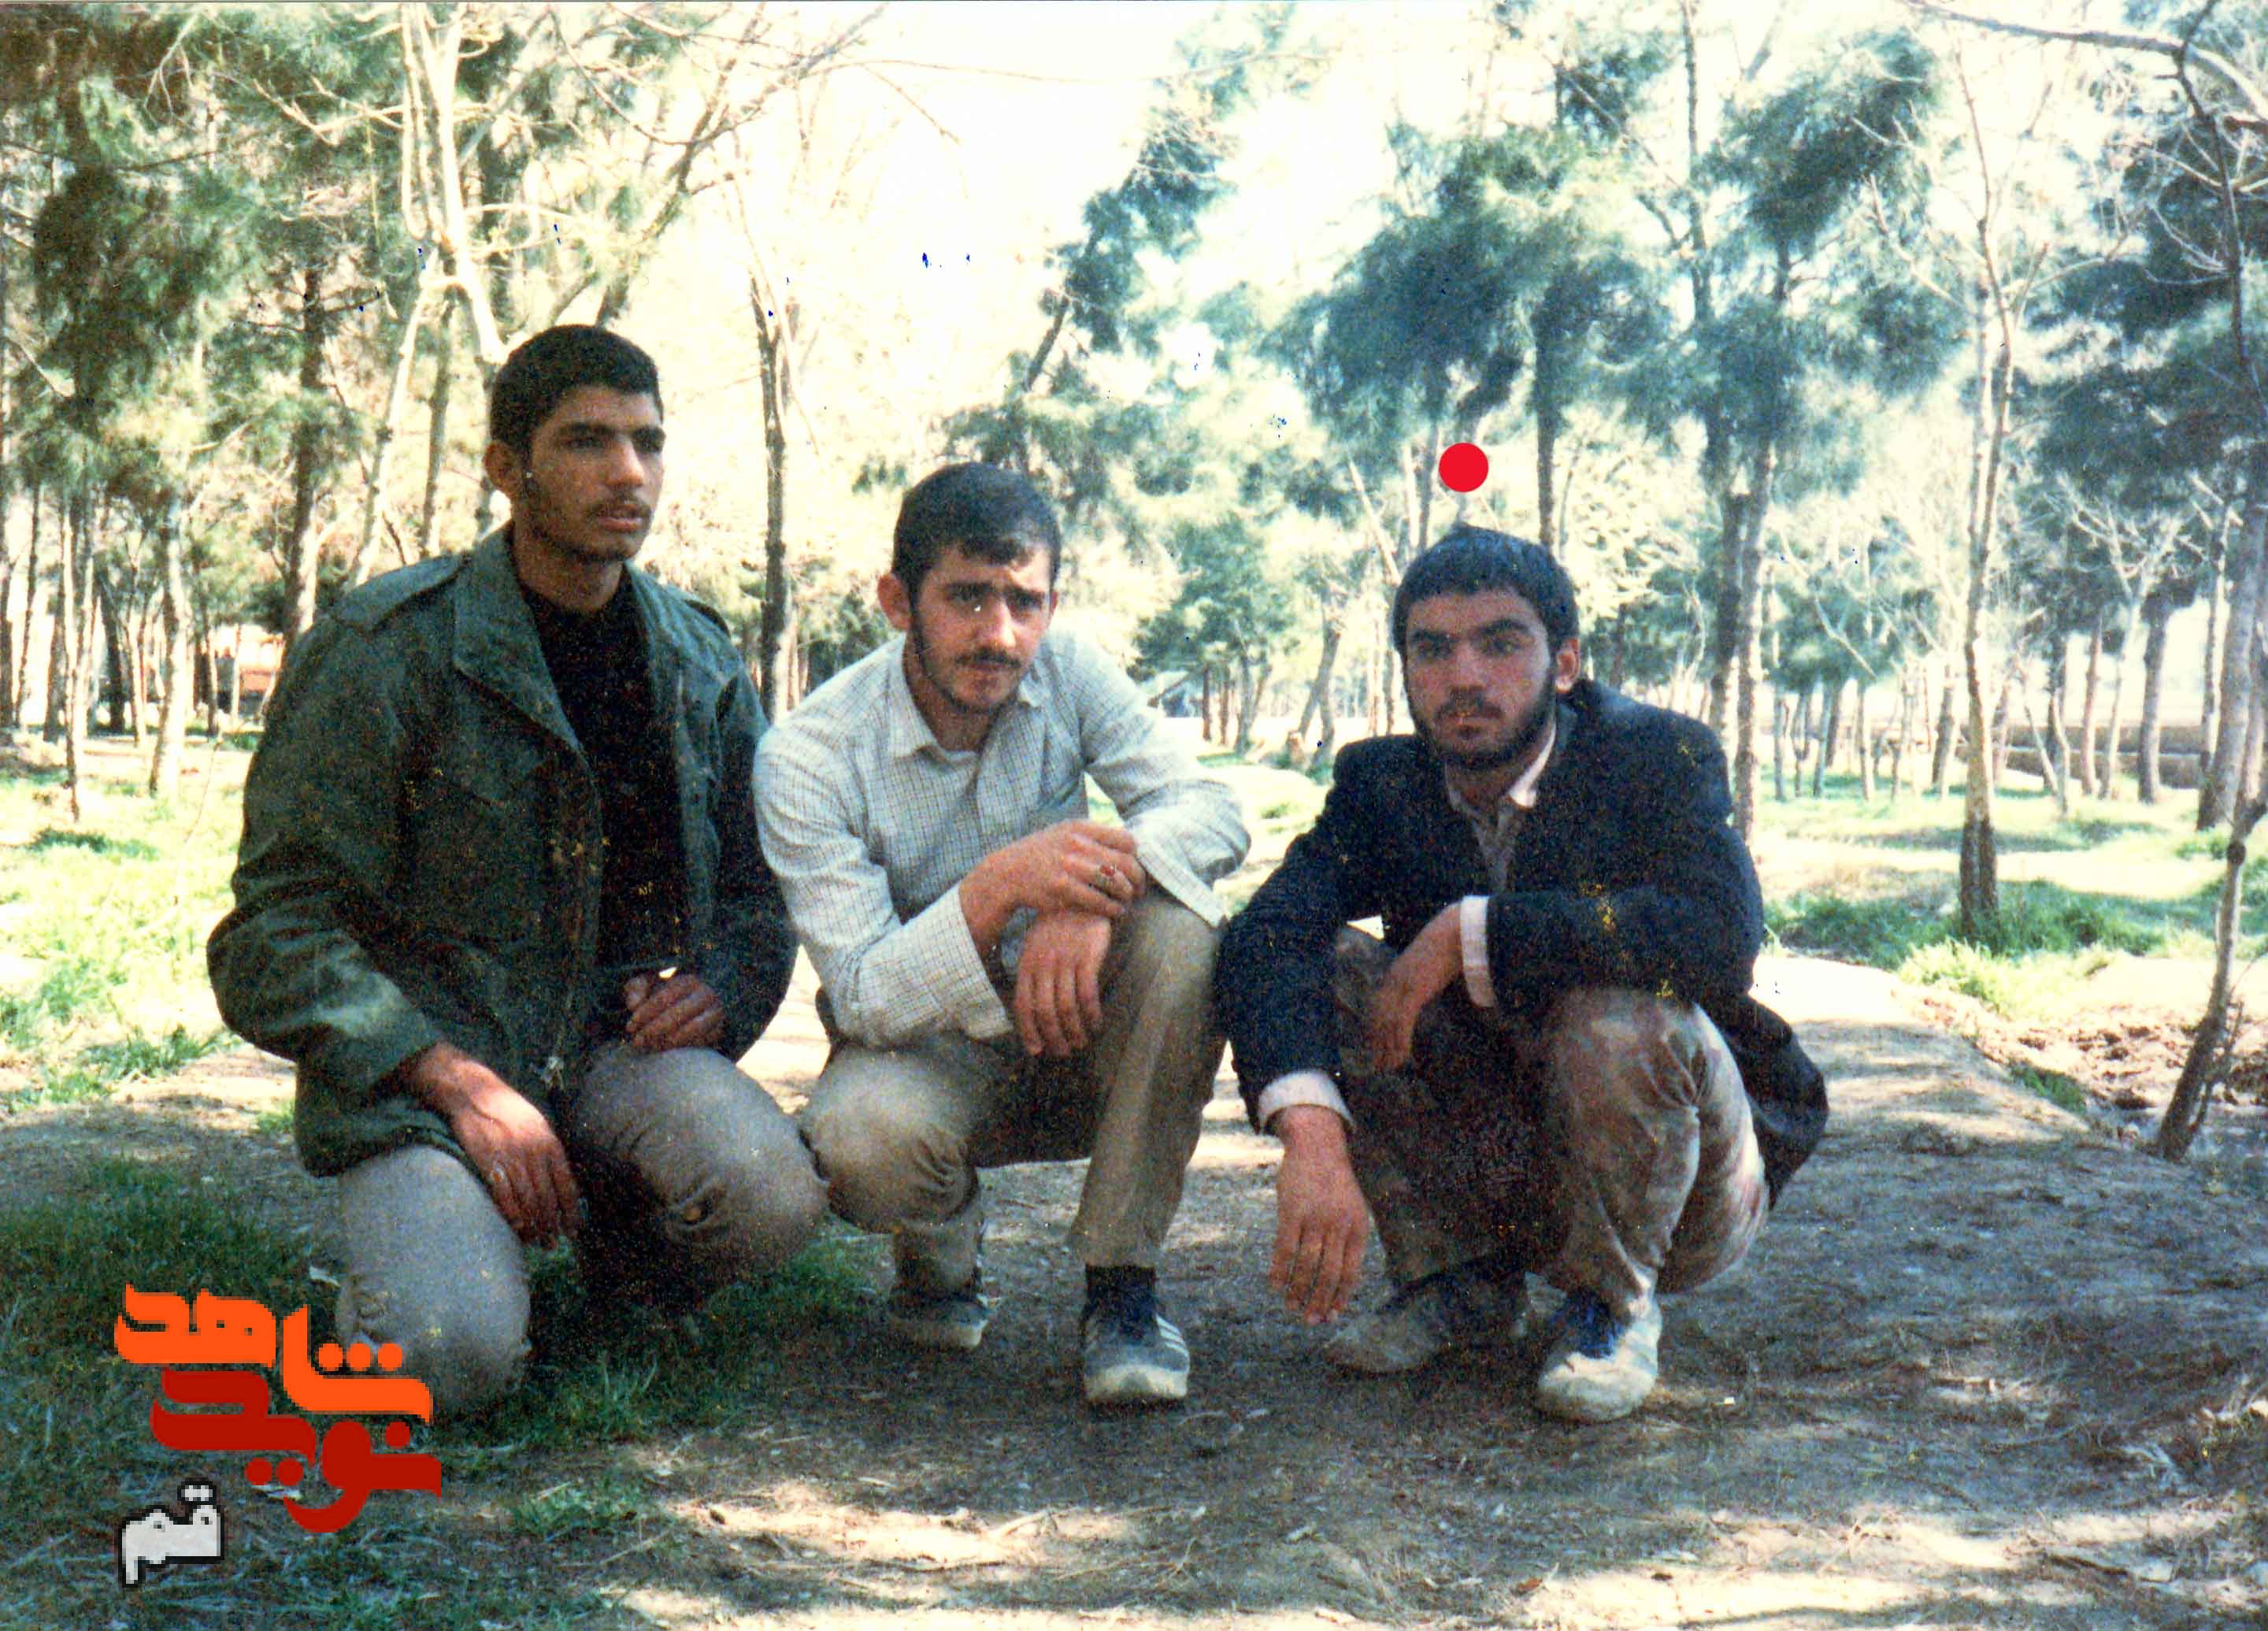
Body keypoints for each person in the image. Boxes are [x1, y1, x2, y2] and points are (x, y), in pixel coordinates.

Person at [209, 325, 827, 1416]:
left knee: (773, 1193)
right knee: (440, 1357)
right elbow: (273, 931)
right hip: (432, 1072)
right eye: (587, 441)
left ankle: (620, 1256)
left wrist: (721, 988)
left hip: (612, 1054)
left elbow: (758, 889)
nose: (628, 472)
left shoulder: (694, 656)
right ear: (508, 466)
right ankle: (421, 1270)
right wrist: (452, 1078)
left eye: (647, 442)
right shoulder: (390, 646)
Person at [1214, 525, 1825, 1423]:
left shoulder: (1653, 756)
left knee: (1618, 1007)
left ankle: (1613, 1306)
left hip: (1688, 1185)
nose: (1464, 676)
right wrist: (1308, 1128)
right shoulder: (1384, 783)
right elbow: (1267, 934)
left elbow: (1720, 935)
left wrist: (1477, 934)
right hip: (1508, 1162)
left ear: (1565, 662)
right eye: (1433, 649)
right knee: (1337, 967)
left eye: (1500, 643)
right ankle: (1458, 1281)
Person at [756, 462, 1249, 1410]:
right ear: (897, 601)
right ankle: (942, 1244)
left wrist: (1090, 894)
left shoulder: (1069, 671)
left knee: (1182, 932)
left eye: (1025, 601)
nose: (1000, 633)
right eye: (968, 597)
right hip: (930, 1046)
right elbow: (862, 992)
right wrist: (998, 887)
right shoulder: (809, 755)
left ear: (1052, 605)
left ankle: (1123, 1288)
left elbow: (1212, 809)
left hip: (1077, 1022)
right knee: (859, 1138)